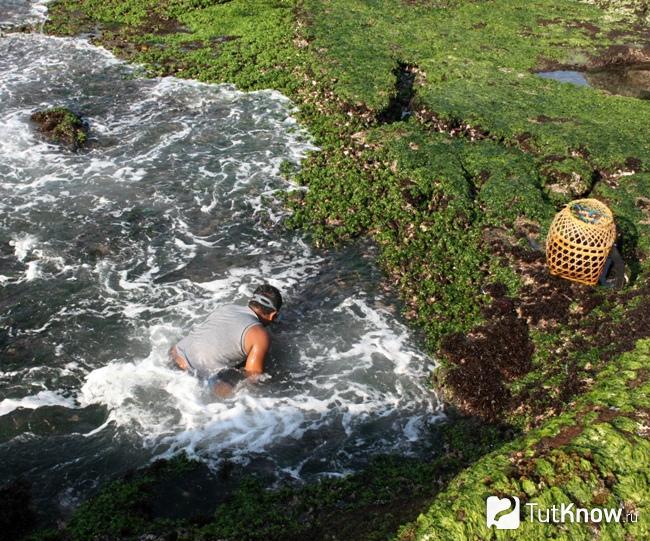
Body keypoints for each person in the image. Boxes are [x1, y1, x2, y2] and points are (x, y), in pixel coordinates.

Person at [169, 284, 282, 397]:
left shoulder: (227, 308)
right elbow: (253, 377)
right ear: (273, 315)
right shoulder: (260, 335)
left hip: (174, 355)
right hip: (194, 377)